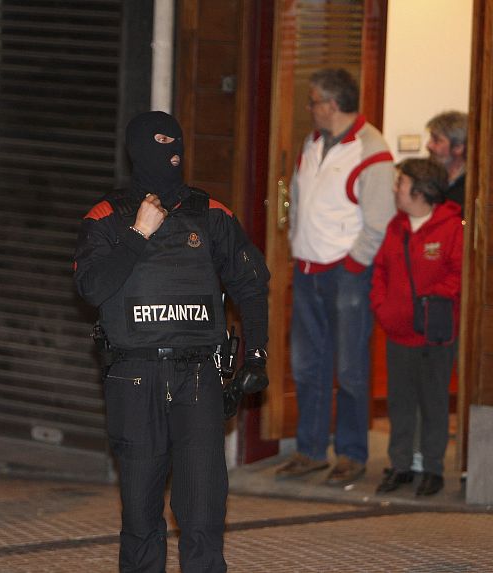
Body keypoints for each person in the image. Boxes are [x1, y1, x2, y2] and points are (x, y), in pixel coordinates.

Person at [74, 111, 270, 572]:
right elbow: (92, 288)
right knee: (141, 513)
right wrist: (139, 233)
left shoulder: (211, 213)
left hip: (199, 377)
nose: (172, 152)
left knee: (202, 510)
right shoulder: (107, 216)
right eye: (161, 142)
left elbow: (251, 285)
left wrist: (256, 355)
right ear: (138, 148)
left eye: (177, 142)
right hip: (134, 376)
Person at [276, 68, 396, 485]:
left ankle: (351, 453)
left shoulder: (372, 150)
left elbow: (380, 220)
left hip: (348, 275)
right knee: (307, 366)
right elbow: (297, 198)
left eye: (313, 101)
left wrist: (354, 265)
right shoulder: (311, 143)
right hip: (307, 269)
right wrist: (296, 246)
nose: (309, 108)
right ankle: (310, 450)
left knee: (349, 368)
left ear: (331, 104)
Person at [371, 158, 462, 497]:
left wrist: (432, 301)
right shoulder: (396, 226)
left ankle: (433, 469)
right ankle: (401, 465)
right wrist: (382, 305)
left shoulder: (452, 226)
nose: (396, 189)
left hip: (436, 335)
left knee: (434, 402)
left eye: (401, 183)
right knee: (400, 402)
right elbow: (379, 271)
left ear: (422, 192)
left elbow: (458, 273)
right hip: (398, 334)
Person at [426, 111, 467, 216]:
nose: (428, 145)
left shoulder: (474, 188)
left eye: (436, 140)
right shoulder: (426, 176)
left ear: (458, 147)